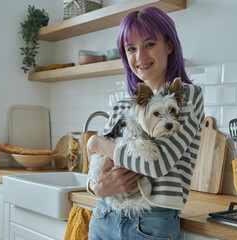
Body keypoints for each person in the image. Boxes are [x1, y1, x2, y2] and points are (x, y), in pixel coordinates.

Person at [86, 6, 205, 240]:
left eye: (149, 44)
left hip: (152, 221)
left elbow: (156, 163)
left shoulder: (186, 96)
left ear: (169, 45)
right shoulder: (122, 105)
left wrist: (97, 143)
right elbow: (94, 170)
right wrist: (95, 187)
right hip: (104, 215)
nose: (140, 56)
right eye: (131, 48)